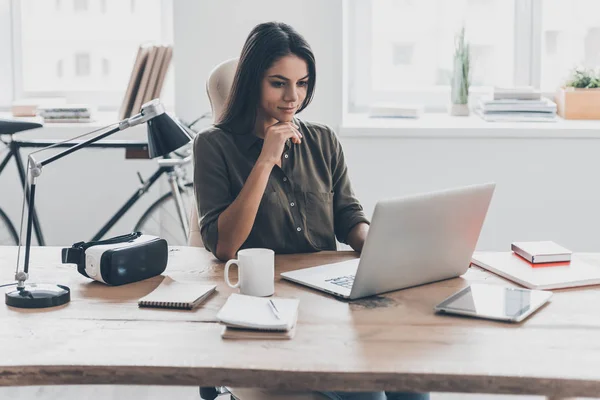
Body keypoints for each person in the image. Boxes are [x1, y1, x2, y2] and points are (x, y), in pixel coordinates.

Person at [193, 21, 429, 400]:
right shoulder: (213, 146)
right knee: (367, 396)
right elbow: (224, 246)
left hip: (325, 303)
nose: (293, 97)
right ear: (252, 81)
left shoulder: (322, 140)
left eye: (302, 83)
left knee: (414, 386)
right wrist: (266, 159)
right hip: (264, 308)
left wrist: (379, 248)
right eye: (278, 83)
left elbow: (348, 216)